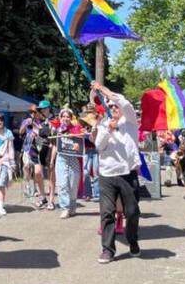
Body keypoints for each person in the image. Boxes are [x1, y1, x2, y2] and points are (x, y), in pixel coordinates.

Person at [90, 82, 142, 263]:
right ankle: (107, 249)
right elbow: (99, 147)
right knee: (107, 213)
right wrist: (108, 130)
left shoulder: (130, 121)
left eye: (114, 105)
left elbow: (124, 102)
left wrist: (102, 88)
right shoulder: (104, 124)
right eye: (109, 106)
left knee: (133, 211)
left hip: (127, 174)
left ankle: (133, 241)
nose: (113, 107)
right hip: (107, 174)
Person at [53, 108, 83, 219]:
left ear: (71, 118)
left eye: (67, 117)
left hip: (73, 159)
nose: (65, 118)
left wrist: (74, 135)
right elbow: (53, 143)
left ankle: (73, 205)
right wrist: (51, 160)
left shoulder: (76, 128)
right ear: (60, 118)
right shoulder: (56, 129)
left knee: (73, 184)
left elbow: (82, 137)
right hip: (61, 158)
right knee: (62, 184)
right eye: (63, 116)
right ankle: (65, 208)